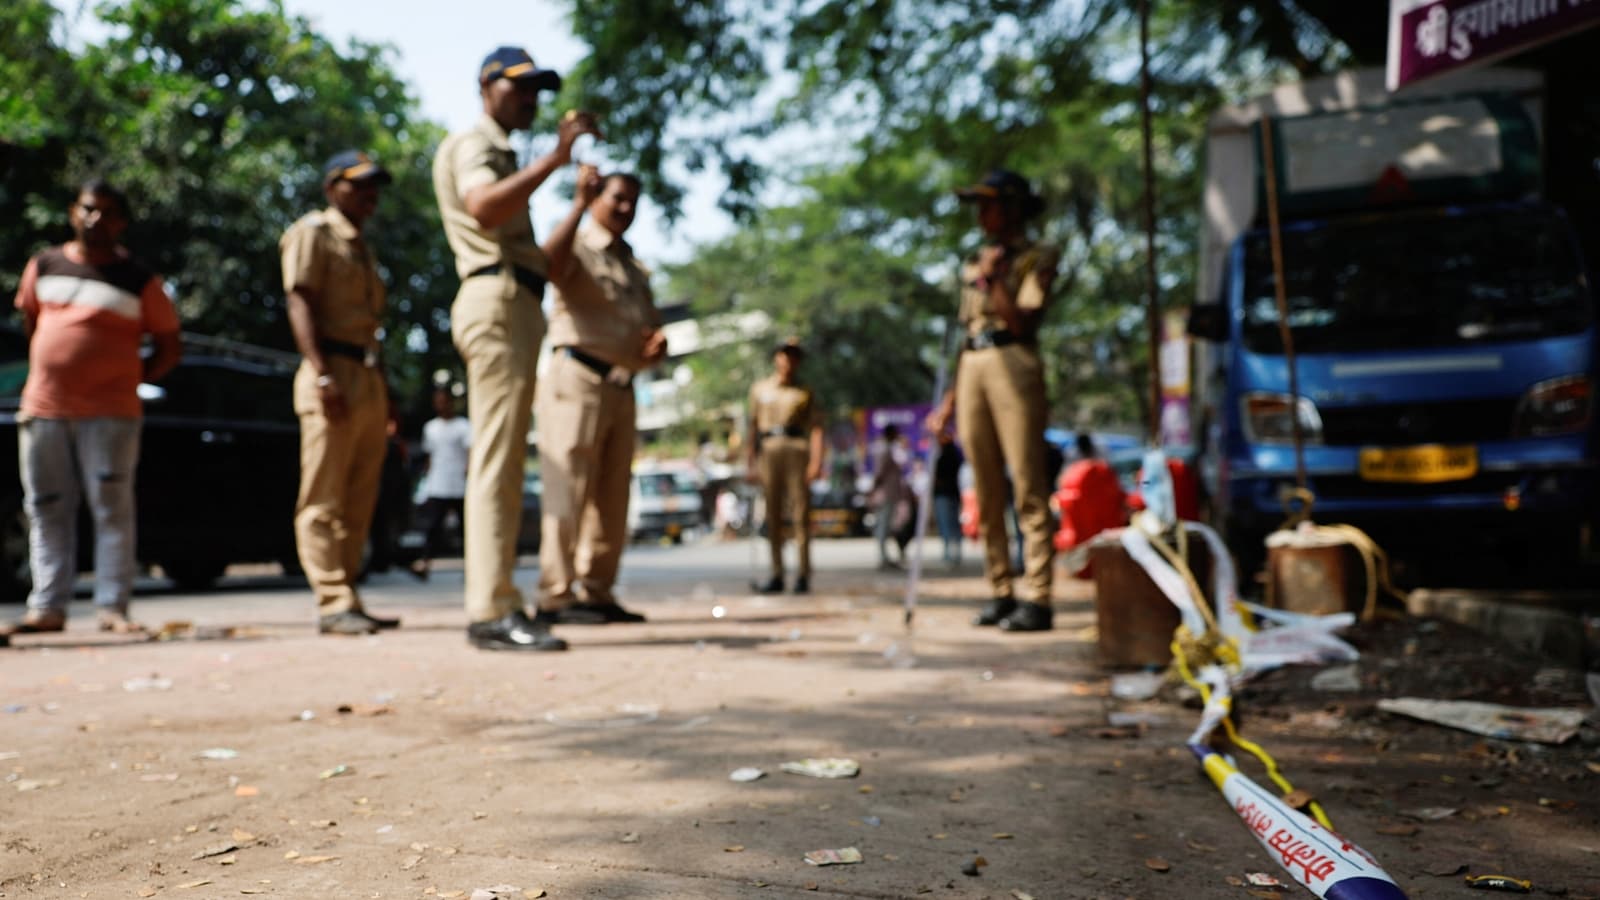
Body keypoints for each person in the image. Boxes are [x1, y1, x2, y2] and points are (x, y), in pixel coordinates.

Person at [433, 46, 598, 651]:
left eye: (537, 90)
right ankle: (491, 609)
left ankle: (501, 599)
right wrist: (557, 157)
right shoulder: (478, 146)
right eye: (519, 87)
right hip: (496, 300)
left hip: (515, 300)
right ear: (485, 85)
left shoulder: (502, 152)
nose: (530, 99)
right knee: (497, 462)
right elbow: (482, 206)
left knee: (503, 460)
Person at [0, 180, 182, 642]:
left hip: (112, 413)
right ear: (72, 212)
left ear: (121, 222)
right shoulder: (44, 265)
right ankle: (47, 606)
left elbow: (168, 344)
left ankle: (112, 607)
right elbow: (33, 323)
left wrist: (128, 378)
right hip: (45, 408)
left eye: (106, 212)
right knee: (45, 508)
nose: (95, 218)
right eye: (88, 209)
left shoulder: (138, 279)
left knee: (112, 509)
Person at [926, 169, 1060, 632]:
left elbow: (1023, 322)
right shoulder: (974, 261)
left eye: (990, 205)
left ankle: (1038, 596)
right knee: (984, 486)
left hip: (1014, 362)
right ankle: (1000, 589)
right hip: (974, 368)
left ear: (1014, 208)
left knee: (1027, 483)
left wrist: (994, 280)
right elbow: (969, 336)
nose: (982, 215)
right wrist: (947, 405)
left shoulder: (1036, 256)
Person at [535, 167, 664, 624]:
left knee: (612, 496)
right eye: (616, 198)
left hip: (624, 386)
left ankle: (597, 591)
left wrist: (653, 350)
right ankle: (555, 594)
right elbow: (546, 265)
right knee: (567, 489)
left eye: (633, 200)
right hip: (577, 380)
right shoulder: (577, 244)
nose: (626, 208)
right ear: (596, 197)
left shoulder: (634, 266)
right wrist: (575, 204)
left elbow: (646, 329)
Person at [282, 150, 402, 636]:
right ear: (332, 187)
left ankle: (348, 594)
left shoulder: (362, 247)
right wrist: (322, 373)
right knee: (323, 496)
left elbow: (371, 328)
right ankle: (332, 600)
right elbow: (300, 300)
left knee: (359, 497)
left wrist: (385, 393)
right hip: (330, 372)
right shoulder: (313, 232)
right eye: (360, 184)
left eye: (375, 186)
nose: (370, 195)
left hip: (366, 375)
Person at [745, 340, 823, 594]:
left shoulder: (805, 391)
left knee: (800, 514)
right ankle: (777, 574)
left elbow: (817, 428)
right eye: (784, 356)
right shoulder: (759, 389)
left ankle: (803, 573)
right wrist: (751, 463)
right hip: (768, 451)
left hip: (796, 449)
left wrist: (816, 461)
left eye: (794, 357)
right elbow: (752, 428)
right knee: (772, 515)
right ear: (776, 359)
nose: (789, 361)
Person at [411, 386, 472, 580]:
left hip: (460, 484)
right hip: (438, 484)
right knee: (433, 526)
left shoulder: (463, 426)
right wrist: (425, 482)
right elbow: (429, 456)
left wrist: (469, 473)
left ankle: (470, 567)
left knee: (466, 529)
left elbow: (470, 452)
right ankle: (425, 562)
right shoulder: (431, 427)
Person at [871, 424, 908, 569]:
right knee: (883, 525)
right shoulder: (884, 450)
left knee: (886, 525)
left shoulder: (887, 449)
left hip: (888, 493)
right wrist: (874, 488)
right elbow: (880, 473)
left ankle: (884, 556)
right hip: (886, 493)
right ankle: (882, 557)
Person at [932, 432, 965, 568]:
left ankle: (949, 553)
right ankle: (955, 552)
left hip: (944, 494)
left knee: (946, 524)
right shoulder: (955, 457)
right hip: (953, 493)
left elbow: (937, 478)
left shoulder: (943, 458)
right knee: (953, 524)